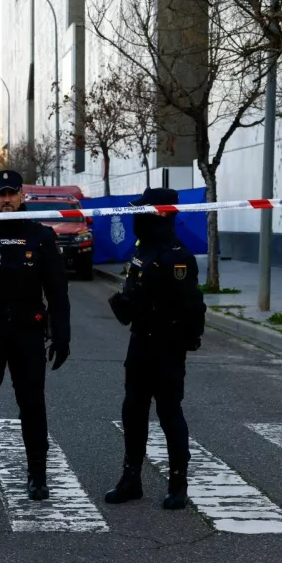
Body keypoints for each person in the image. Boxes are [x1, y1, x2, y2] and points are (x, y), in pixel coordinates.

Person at [0, 169, 70, 502]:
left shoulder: (41, 235)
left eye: (12, 193)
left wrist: (62, 334)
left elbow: (57, 290)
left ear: (22, 196)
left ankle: (37, 477)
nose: (7, 199)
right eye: (1, 194)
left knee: (32, 406)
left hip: (27, 330)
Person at [104, 188, 206, 510]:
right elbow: (136, 287)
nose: (136, 217)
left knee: (168, 413)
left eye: (142, 211)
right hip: (140, 344)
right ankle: (131, 479)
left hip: (166, 347)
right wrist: (128, 305)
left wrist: (139, 308)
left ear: (160, 214)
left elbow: (182, 310)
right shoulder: (143, 248)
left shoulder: (178, 257)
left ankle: (178, 483)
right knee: (133, 411)